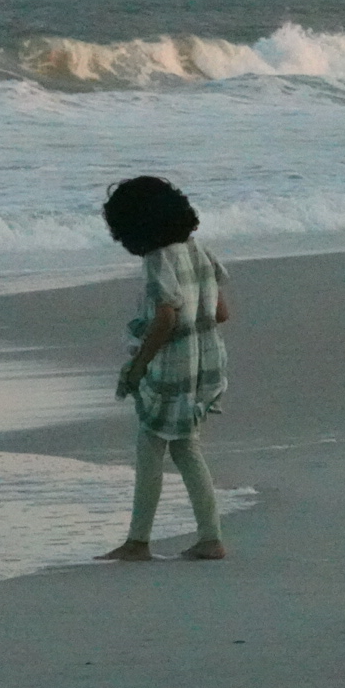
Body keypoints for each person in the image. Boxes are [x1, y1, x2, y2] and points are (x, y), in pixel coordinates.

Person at [95, 176, 230, 562]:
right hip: (205, 363)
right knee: (187, 446)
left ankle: (138, 541)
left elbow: (166, 318)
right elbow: (221, 312)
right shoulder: (201, 252)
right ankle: (210, 536)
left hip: (171, 367)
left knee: (150, 447)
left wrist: (138, 365)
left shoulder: (159, 260)